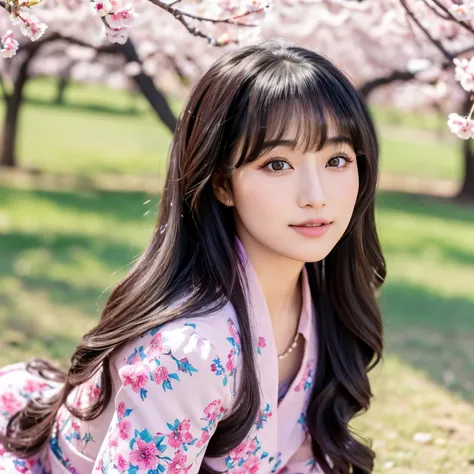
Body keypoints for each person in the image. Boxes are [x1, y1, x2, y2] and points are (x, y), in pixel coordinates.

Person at [0, 38, 386, 474]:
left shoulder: (320, 298)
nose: (316, 197)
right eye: (277, 164)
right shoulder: (189, 354)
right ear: (222, 183)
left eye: (336, 159)